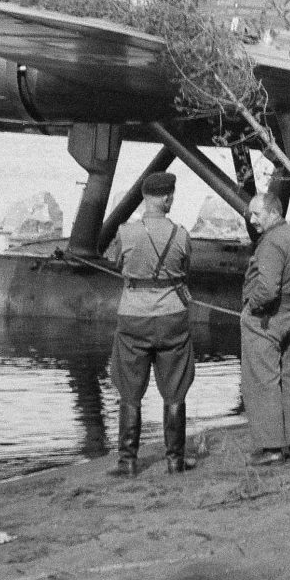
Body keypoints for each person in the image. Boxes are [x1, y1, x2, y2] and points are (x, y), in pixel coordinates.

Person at [102, 171, 196, 476]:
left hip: (133, 316)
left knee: (130, 389)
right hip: (171, 316)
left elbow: (118, 263)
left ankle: (128, 462)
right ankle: (175, 461)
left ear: (144, 198)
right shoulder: (181, 234)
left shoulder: (125, 232)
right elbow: (184, 268)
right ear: (167, 197)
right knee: (175, 389)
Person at [240, 184, 290, 464]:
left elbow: (268, 289)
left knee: (263, 380)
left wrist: (251, 308)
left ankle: (271, 448)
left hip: (267, 319)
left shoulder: (271, 243)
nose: (252, 220)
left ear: (273, 213)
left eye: (257, 214)